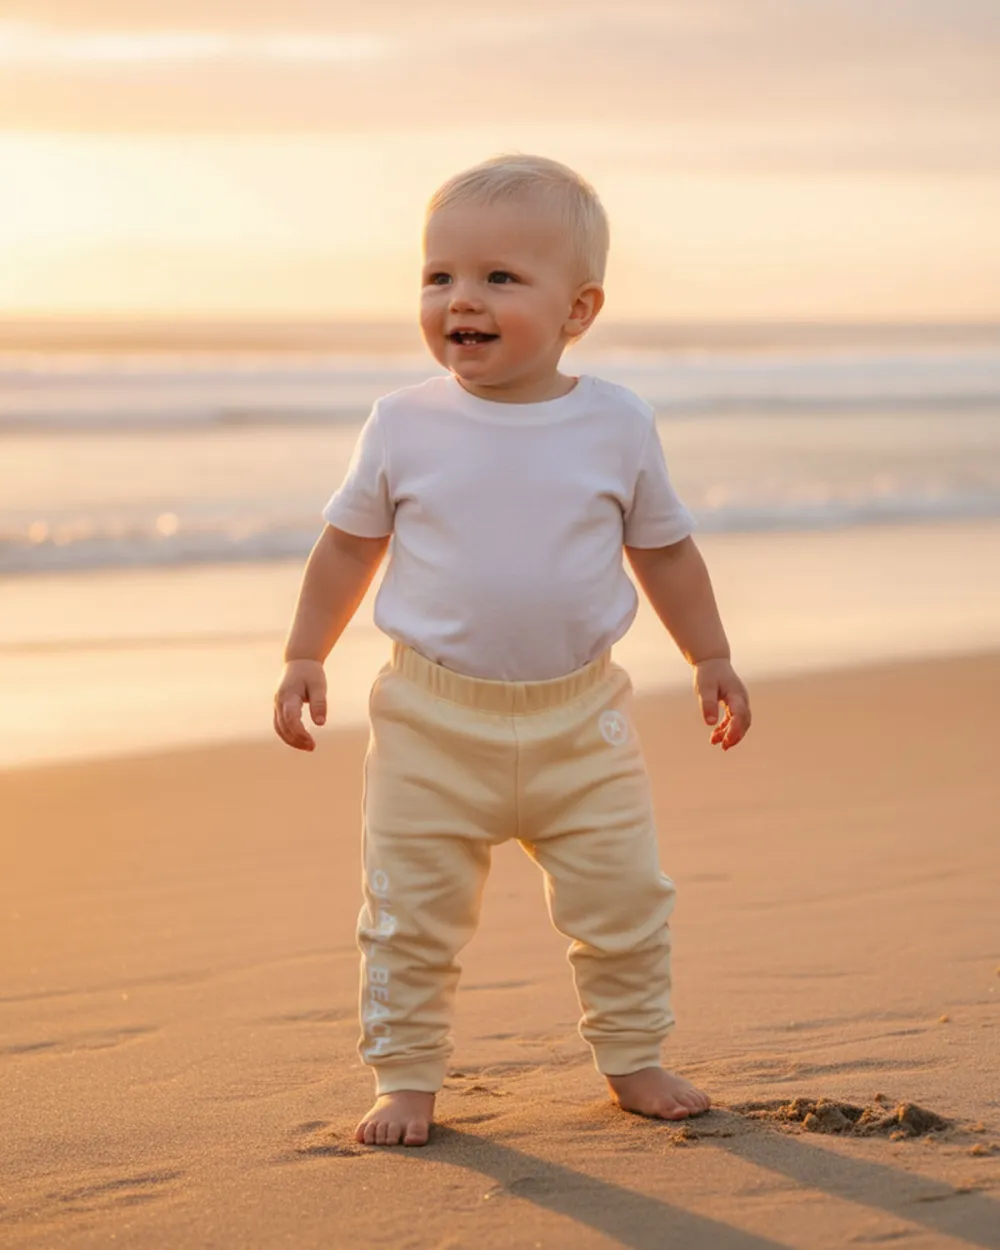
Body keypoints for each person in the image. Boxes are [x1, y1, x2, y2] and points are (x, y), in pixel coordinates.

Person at [273, 154, 751, 1148]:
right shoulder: (404, 422)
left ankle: (632, 1056)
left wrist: (709, 655)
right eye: (438, 275)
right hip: (430, 725)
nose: (460, 299)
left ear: (579, 309)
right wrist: (305, 652)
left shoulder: (616, 422)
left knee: (625, 900)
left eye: (499, 277)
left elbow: (663, 550)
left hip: (584, 724)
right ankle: (405, 1075)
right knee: (407, 914)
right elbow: (349, 546)